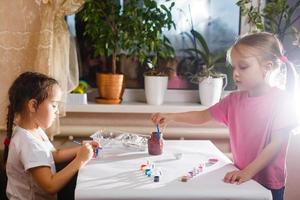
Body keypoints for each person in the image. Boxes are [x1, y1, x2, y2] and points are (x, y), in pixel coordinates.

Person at [151, 32, 299, 200]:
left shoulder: (282, 101)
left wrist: (247, 172)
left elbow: (276, 144)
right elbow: (202, 116)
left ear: (267, 67)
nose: (235, 73)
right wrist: (171, 117)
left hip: (267, 184)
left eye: (243, 67)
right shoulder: (233, 100)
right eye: (234, 67)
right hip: (241, 178)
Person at [3, 72, 99, 200]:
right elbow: (50, 185)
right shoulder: (29, 143)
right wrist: (79, 160)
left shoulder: (34, 131)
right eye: (54, 105)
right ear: (33, 105)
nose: (57, 111)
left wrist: (81, 149)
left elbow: (53, 155)